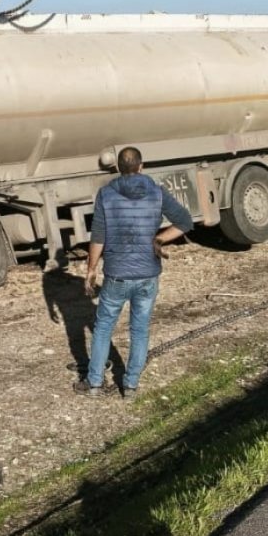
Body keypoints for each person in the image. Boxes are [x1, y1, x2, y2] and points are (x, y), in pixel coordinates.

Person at [76, 146, 194, 399]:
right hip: (147, 274)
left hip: (117, 275)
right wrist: (159, 240)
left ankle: (94, 382)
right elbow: (185, 222)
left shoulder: (106, 194)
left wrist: (91, 269)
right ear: (141, 166)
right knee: (139, 329)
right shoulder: (157, 192)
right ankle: (130, 386)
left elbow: (98, 236)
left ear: (118, 168)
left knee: (104, 327)